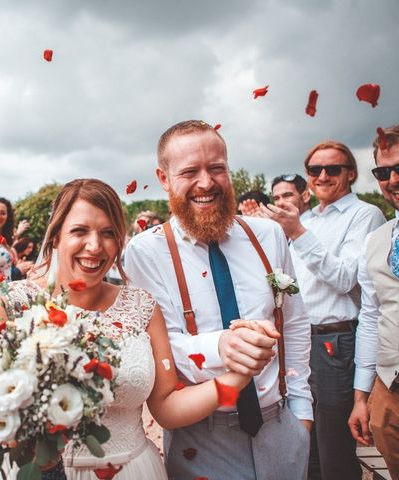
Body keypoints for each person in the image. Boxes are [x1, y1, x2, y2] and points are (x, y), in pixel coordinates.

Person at [0, 178, 271, 480]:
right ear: (55, 237)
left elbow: (167, 409)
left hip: (129, 470)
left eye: (108, 233)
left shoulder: (142, 307)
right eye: (79, 231)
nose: (94, 246)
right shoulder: (12, 304)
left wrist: (237, 377)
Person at [125, 120, 313, 479]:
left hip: (281, 426)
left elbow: (294, 321)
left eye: (217, 168)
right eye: (190, 172)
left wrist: (301, 412)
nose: (206, 183)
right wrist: (222, 346)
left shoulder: (268, 234)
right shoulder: (146, 252)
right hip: (203, 435)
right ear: (163, 179)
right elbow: (159, 347)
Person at [259, 140, 385, 480]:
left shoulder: (365, 215)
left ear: (351, 173)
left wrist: (297, 232)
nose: (323, 175)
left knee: (334, 446)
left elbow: (345, 279)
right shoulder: (307, 218)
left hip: (336, 340)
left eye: (333, 169)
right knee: (302, 438)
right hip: (298, 339)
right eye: (315, 170)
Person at [349, 125, 399, 479]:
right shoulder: (377, 240)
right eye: (383, 172)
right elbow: (371, 315)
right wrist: (363, 397)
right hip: (389, 390)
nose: (393, 180)